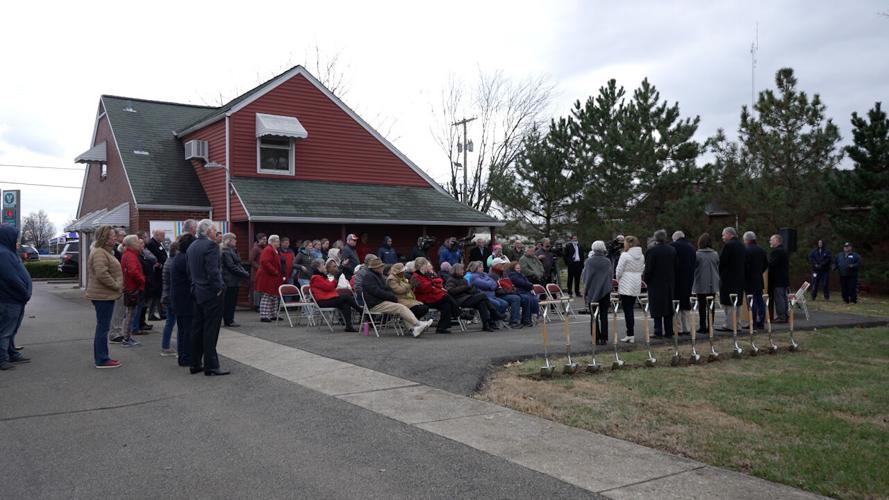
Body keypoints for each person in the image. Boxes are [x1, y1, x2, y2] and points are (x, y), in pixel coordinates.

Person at [186, 219, 228, 376]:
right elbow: (213, 271)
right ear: (208, 231)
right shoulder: (211, 246)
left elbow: (189, 271)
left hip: (197, 291)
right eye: (214, 230)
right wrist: (219, 288)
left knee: (197, 328)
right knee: (211, 330)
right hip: (210, 293)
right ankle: (211, 365)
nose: (216, 232)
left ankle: (195, 363)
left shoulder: (192, 246)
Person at [361, 256, 434, 337]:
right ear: (376, 268)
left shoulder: (376, 276)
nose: (383, 268)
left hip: (380, 301)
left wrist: (391, 295)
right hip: (375, 303)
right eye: (381, 266)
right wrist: (391, 296)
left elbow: (384, 290)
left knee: (402, 307)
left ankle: (414, 329)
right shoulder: (369, 277)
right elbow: (377, 292)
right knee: (401, 307)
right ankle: (418, 324)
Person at [85, 225, 123, 368]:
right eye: (113, 235)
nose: (115, 237)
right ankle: (102, 358)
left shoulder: (104, 251)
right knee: (103, 327)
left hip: (104, 294)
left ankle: (102, 357)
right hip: (102, 296)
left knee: (103, 327)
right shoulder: (100, 252)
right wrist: (116, 285)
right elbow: (102, 273)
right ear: (106, 238)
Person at [0, 225, 32, 371]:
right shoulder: (3, 253)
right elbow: (11, 278)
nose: (17, 240)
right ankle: (2, 359)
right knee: (5, 331)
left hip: (17, 299)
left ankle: (11, 353)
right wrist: (24, 293)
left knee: (12, 329)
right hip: (9, 299)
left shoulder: (9, 252)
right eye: (15, 237)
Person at [309, 259, 361, 332]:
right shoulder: (316, 278)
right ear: (318, 268)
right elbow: (329, 287)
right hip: (323, 301)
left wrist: (336, 278)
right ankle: (360, 311)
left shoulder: (321, 276)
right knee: (346, 297)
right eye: (323, 265)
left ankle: (349, 327)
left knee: (345, 304)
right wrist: (336, 278)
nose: (325, 267)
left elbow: (330, 287)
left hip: (327, 299)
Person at [643, 230, 676, 338]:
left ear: (655, 238)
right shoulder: (672, 250)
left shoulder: (652, 251)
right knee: (668, 307)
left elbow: (648, 269)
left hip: (655, 283)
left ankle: (658, 331)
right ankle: (669, 330)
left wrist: (646, 280)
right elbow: (676, 266)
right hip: (669, 282)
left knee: (657, 308)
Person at [468, 260, 521, 328]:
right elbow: (487, 284)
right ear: (475, 268)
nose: (482, 268)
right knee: (497, 304)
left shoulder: (485, 274)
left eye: (482, 267)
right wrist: (491, 285)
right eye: (480, 267)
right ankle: (492, 321)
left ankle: (495, 319)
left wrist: (491, 285)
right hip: (485, 297)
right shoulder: (474, 277)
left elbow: (494, 284)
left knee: (504, 303)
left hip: (493, 295)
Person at [445, 263, 497, 331]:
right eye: (461, 270)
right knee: (483, 296)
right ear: (457, 270)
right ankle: (494, 313)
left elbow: (469, 290)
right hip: (460, 300)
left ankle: (486, 325)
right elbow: (451, 291)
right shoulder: (451, 279)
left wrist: (472, 288)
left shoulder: (463, 279)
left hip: (467, 298)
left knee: (482, 302)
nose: (463, 271)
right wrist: (466, 287)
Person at [412, 257, 458, 333]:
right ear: (422, 265)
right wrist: (432, 283)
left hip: (429, 296)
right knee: (446, 297)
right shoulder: (416, 276)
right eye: (426, 264)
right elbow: (423, 288)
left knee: (446, 304)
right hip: (423, 299)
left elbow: (436, 283)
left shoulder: (424, 275)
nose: (428, 266)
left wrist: (432, 283)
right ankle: (458, 313)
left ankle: (442, 327)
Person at [170, 233, 196, 367]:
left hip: (179, 299)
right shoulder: (184, 259)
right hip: (185, 300)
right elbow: (192, 277)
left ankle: (183, 356)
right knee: (187, 330)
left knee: (183, 330)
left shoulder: (179, 257)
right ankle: (186, 357)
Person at [582, 241, 613, 344]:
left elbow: (586, 277)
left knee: (593, 316)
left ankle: (595, 337)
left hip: (592, 291)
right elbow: (610, 276)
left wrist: (585, 291)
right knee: (604, 316)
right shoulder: (607, 261)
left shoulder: (589, 262)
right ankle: (604, 338)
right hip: (605, 291)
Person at [615, 235, 644, 342]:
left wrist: (618, 279)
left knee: (628, 310)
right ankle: (630, 333)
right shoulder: (641, 256)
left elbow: (618, 270)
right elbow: (642, 269)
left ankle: (630, 334)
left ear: (628, 244)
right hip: (636, 282)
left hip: (626, 282)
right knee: (630, 308)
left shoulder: (625, 255)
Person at [718, 226, 746, 331]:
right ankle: (737, 324)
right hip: (739, 278)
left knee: (728, 303)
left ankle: (729, 325)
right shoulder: (742, 246)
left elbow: (722, 262)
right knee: (737, 303)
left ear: (730, 234)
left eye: (723, 235)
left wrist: (720, 274)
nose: (722, 237)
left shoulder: (728, 246)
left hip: (728, 279)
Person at [120, 234, 145, 347]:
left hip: (130, 287)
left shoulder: (128, 254)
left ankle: (127, 336)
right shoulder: (131, 255)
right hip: (132, 288)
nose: (139, 243)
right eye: (136, 241)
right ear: (132, 244)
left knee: (130, 313)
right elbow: (133, 272)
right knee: (130, 313)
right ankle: (126, 337)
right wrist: (142, 280)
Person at [692, 233, 720, 334]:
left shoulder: (697, 254)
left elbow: (694, 267)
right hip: (712, 283)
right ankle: (710, 326)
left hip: (701, 283)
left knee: (702, 306)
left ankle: (702, 326)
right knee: (711, 307)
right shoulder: (715, 254)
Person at [221, 233, 250, 327]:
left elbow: (238, 264)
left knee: (232, 301)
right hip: (229, 280)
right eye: (234, 239)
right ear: (228, 240)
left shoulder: (232, 250)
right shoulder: (225, 251)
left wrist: (244, 272)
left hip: (234, 280)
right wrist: (244, 273)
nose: (236, 241)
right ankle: (228, 320)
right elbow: (231, 266)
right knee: (229, 302)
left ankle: (230, 319)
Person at [671, 230, 696, 335]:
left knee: (676, 303)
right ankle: (687, 327)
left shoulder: (673, 246)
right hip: (688, 279)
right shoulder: (691, 247)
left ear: (675, 238)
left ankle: (678, 328)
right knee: (686, 304)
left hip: (676, 279)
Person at [255, 235, 283, 322]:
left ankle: (273, 314)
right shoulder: (268, 250)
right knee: (267, 296)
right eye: (278, 241)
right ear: (273, 242)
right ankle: (264, 316)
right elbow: (265, 262)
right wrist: (274, 271)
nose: (279, 243)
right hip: (267, 277)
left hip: (273, 277)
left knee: (274, 296)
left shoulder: (274, 250)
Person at [744, 231, 768, 330]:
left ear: (747, 240)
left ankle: (752, 322)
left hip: (749, 280)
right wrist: (759, 272)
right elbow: (766, 264)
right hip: (759, 279)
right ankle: (761, 322)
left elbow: (744, 266)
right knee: (760, 301)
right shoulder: (762, 250)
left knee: (751, 302)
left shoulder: (746, 251)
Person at [108, 228, 129, 343]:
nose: (124, 237)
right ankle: (115, 332)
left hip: (120, 283)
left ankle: (117, 331)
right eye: (122, 235)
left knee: (120, 310)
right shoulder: (115, 251)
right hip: (117, 284)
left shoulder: (119, 250)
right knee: (117, 310)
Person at [159, 241, 179, 356]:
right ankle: (179, 349)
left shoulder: (168, 261)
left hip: (167, 295)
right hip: (172, 296)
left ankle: (165, 346)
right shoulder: (173, 263)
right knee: (178, 323)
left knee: (170, 322)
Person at [145, 229, 168, 321]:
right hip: (155, 274)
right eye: (162, 235)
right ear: (157, 235)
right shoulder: (151, 244)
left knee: (158, 294)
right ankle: (153, 313)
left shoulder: (157, 244)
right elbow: (155, 257)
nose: (164, 237)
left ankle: (161, 312)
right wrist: (160, 263)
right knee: (155, 294)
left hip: (159, 273)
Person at [767, 234, 789, 322]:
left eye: (772, 240)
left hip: (777, 280)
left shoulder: (777, 251)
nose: (770, 241)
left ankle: (781, 317)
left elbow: (771, 264)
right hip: (783, 279)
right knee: (783, 298)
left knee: (779, 298)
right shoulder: (783, 250)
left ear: (777, 241)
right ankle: (785, 315)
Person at [249, 233, 268, 310]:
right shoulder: (255, 248)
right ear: (259, 240)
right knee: (257, 289)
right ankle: (256, 305)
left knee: (263, 288)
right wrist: (259, 267)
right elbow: (251, 260)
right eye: (263, 239)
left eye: (266, 239)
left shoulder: (265, 248)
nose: (265, 241)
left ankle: (262, 304)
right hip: (257, 272)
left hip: (264, 272)